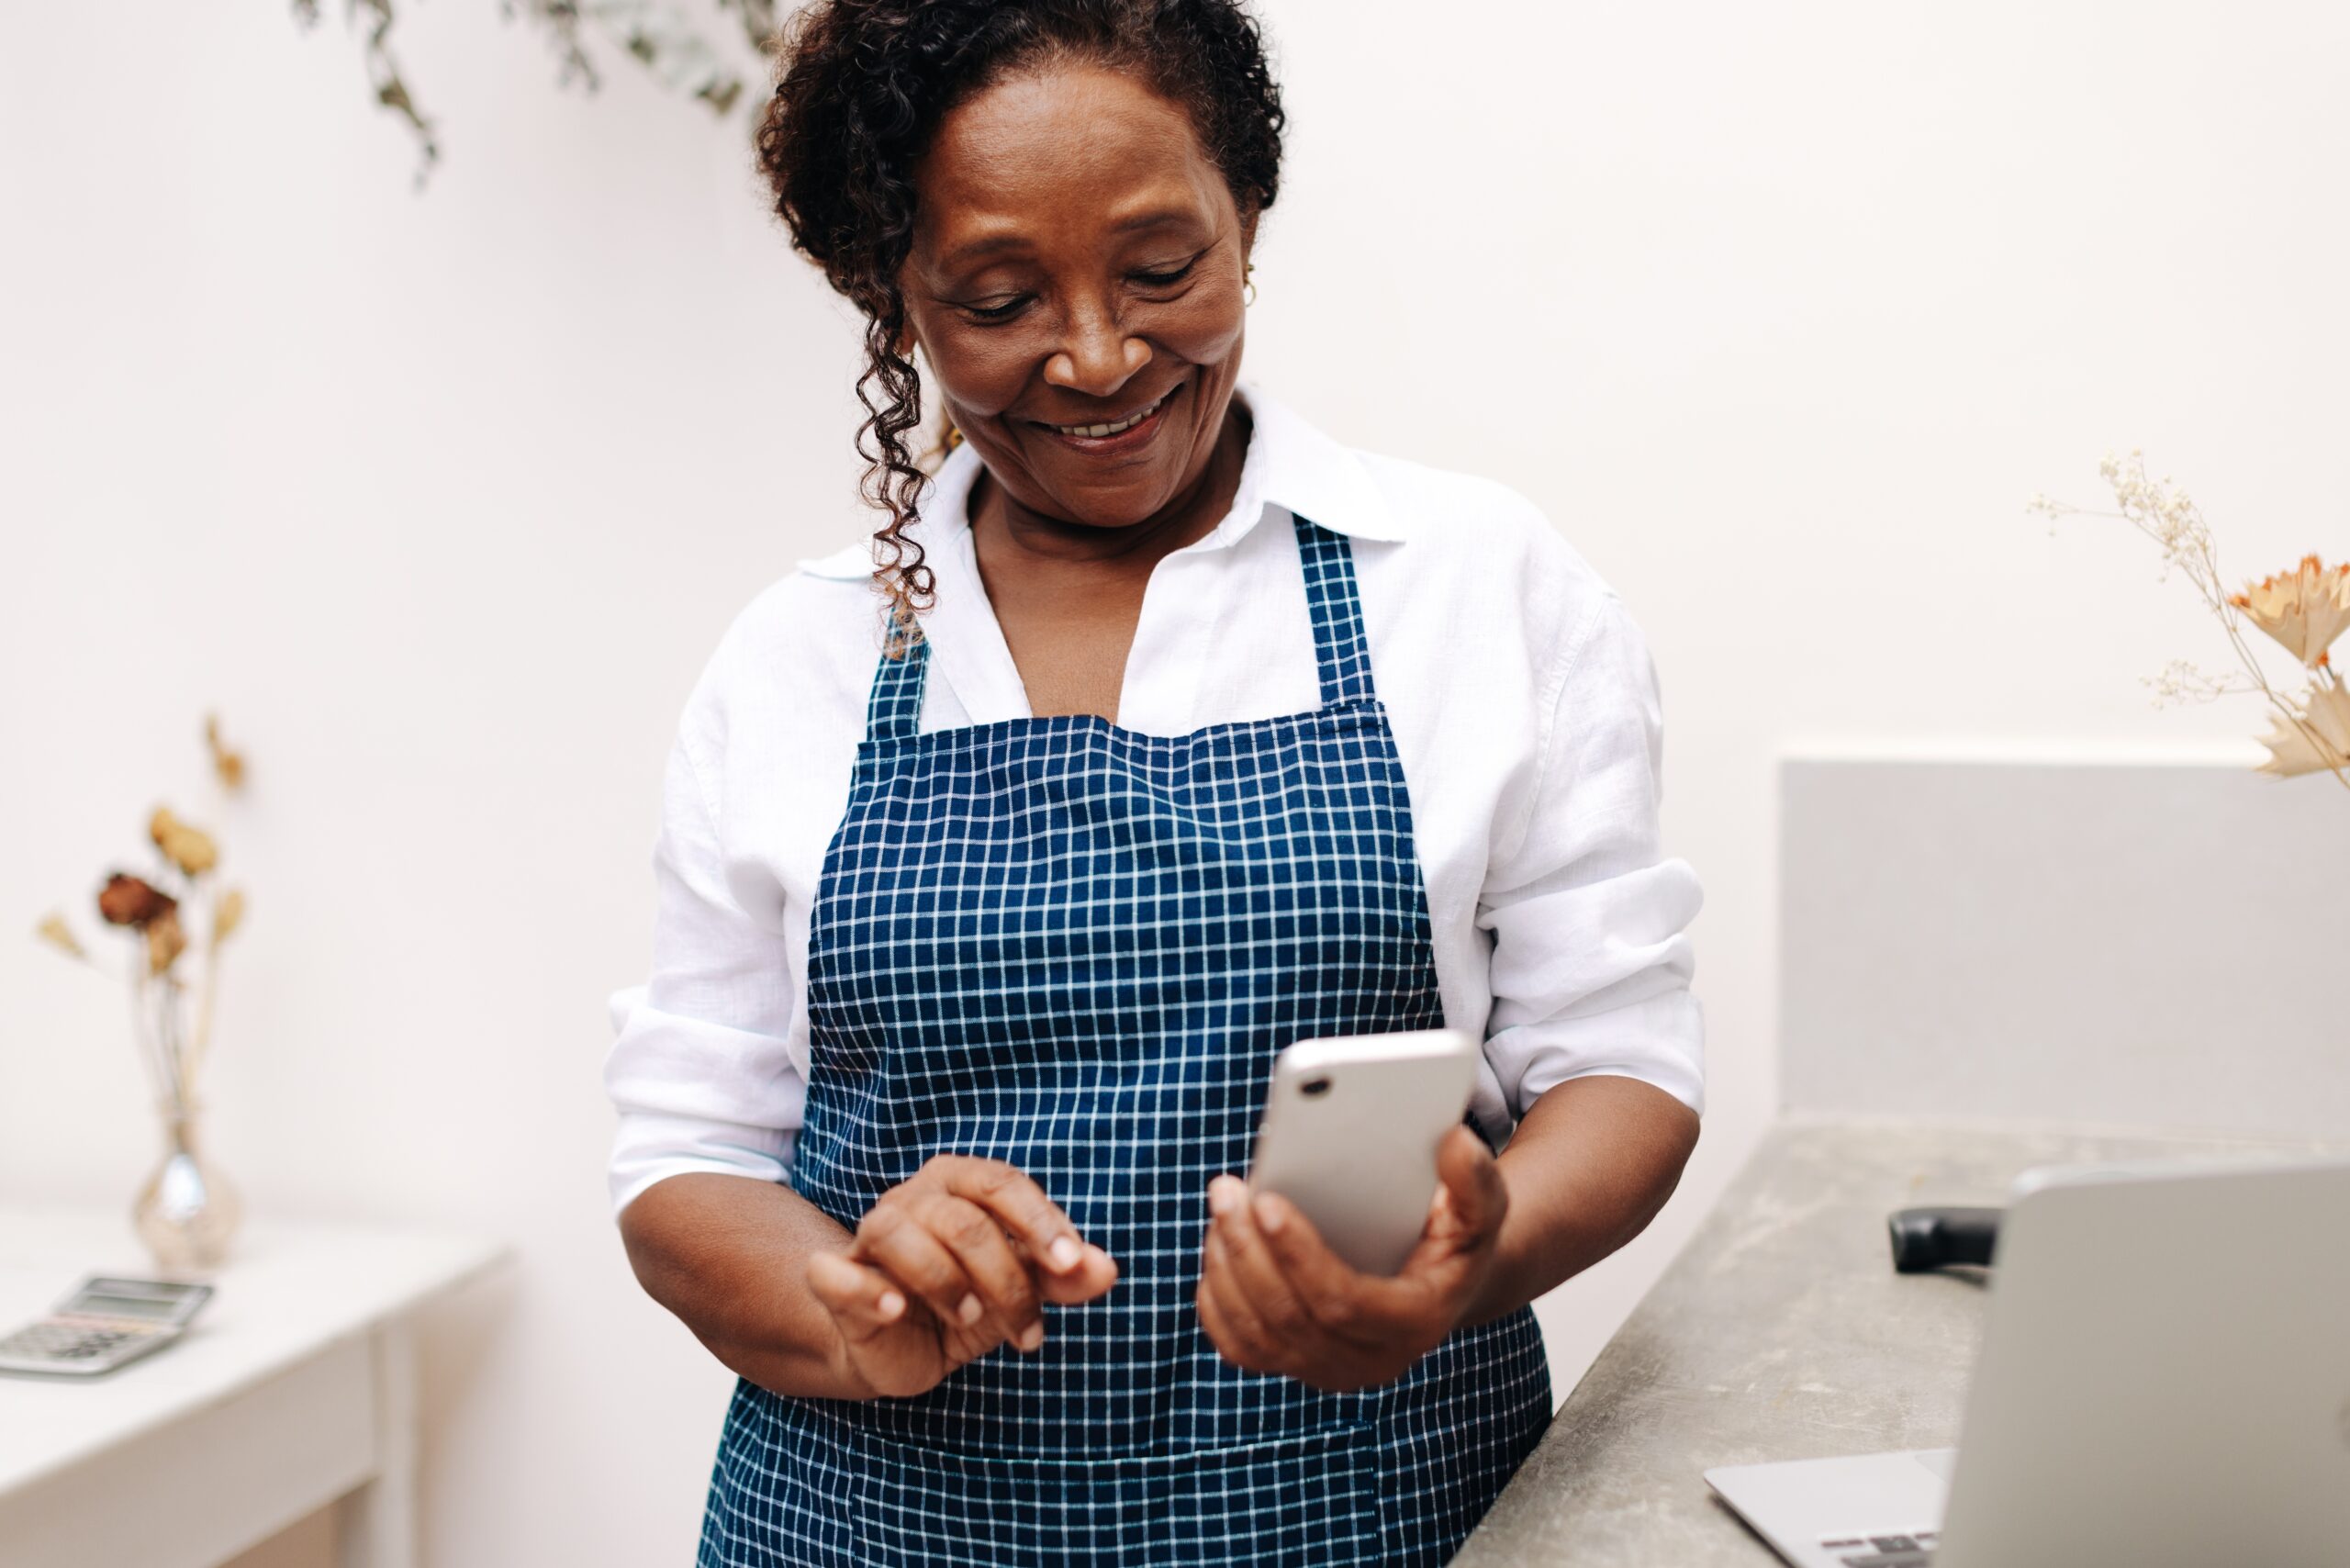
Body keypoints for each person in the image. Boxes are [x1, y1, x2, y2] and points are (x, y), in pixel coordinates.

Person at [603, 2, 1705, 1562]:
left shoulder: (1472, 586)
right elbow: (687, 1155)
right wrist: (842, 1301)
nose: (1102, 355)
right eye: (997, 296)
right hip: (868, 1526)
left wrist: (1470, 1260)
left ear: (1246, 217)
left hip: (1374, 1515)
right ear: (896, 294)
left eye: (1163, 269)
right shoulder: (799, 659)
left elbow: (1621, 1064)